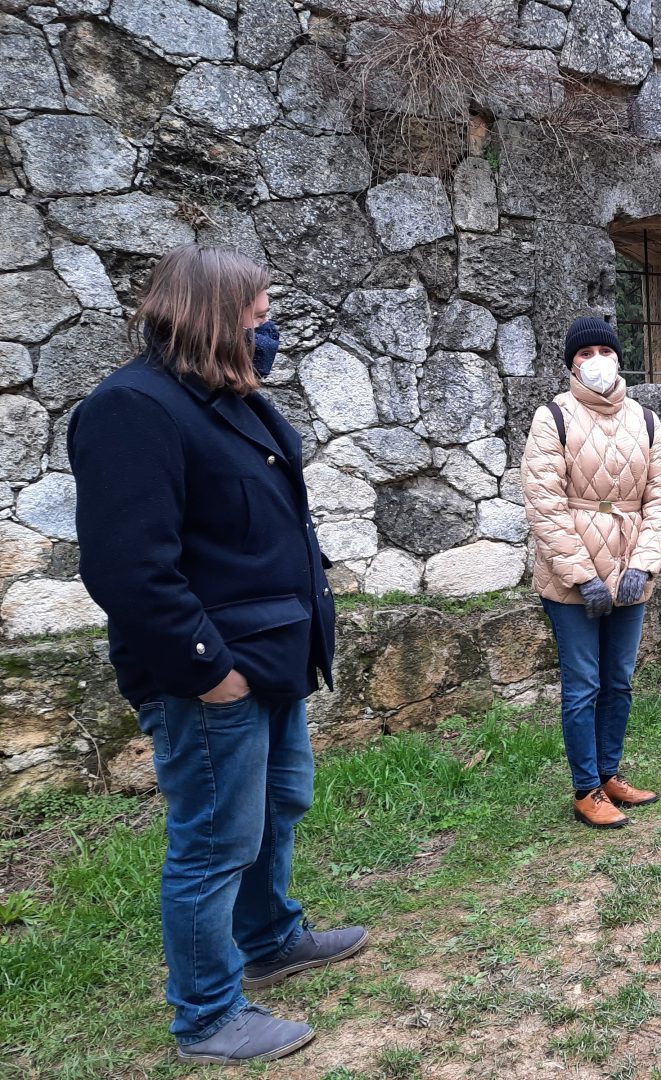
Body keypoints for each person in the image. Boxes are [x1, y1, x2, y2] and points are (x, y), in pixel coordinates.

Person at [67, 245, 366, 1065]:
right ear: (212, 314)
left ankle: (269, 939)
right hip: (212, 677)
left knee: (278, 808)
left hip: (273, 660)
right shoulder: (133, 409)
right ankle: (206, 1015)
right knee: (212, 841)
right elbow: (129, 570)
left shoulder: (229, 401)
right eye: (259, 317)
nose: (268, 332)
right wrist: (211, 671)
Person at [521, 316, 661, 829]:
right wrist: (581, 575)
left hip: (631, 571)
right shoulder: (553, 418)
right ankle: (585, 787)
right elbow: (544, 502)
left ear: (617, 357)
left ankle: (610, 773)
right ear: (571, 363)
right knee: (583, 683)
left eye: (602, 351)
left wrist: (645, 562)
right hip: (572, 580)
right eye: (584, 353)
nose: (595, 361)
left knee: (619, 680)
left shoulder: (646, 420)